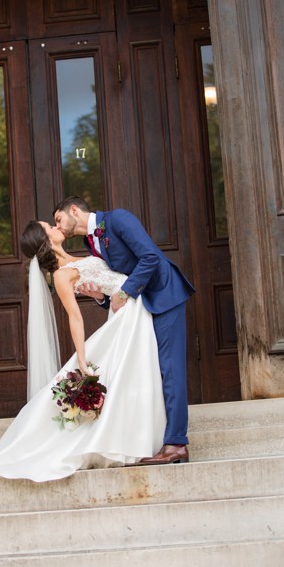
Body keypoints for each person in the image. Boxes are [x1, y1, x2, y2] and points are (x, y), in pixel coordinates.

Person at [0, 220, 165, 482]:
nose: (56, 227)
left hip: (130, 307)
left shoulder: (77, 259)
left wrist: (100, 295)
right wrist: (82, 358)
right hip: (127, 315)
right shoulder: (62, 275)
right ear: (45, 240)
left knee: (133, 376)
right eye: (49, 227)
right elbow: (74, 318)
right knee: (131, 374)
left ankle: (136, 437)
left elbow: (104, 285)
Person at [54, 195, 194, 465]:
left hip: (164, 297)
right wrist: (100, 297)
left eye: (59, 219)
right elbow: (116, 280)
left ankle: (177, 444)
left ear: (73, 210)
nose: (58, 226)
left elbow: (150, 257)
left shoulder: (117, 219)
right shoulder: (90, 241)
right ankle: (155, 439)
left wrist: (126, 293)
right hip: (139, 309)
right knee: (151, 371)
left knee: (170, 369)